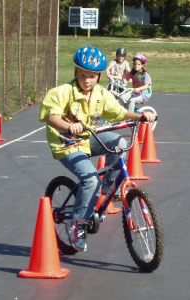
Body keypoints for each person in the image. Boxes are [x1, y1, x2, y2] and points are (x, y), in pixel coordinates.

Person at [40, 46, 156, 252]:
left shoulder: (101, 94)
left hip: (88, 137)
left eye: (92, 76)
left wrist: (140, 116)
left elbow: (119, 113)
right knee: (90, 178)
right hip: (67, 143)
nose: (87, 80)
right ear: (75, 73)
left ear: (100, 76)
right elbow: (51, 116)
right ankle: (76, 224)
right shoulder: (62, 92)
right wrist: (68, 126)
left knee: (120, 142)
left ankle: (109, 187)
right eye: (83, 75)